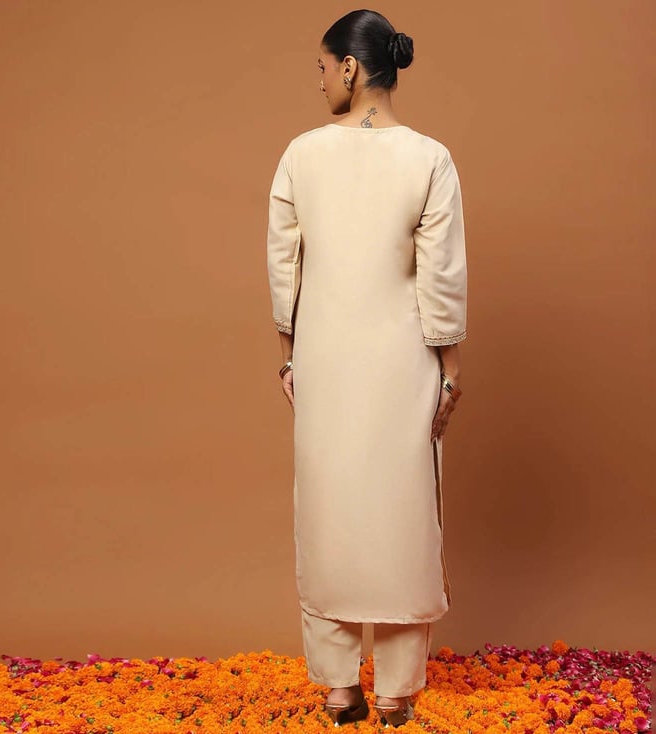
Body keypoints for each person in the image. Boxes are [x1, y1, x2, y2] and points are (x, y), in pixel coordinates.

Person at [266, 9, 467, 728]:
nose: (320, 81)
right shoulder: (429, 159)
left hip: (325, 359)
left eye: (323, 68)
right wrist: (448, 373)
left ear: (350, 68)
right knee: (404, 514)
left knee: (330, 510)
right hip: (403, 363)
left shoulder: (301, 155)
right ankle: (395, 693)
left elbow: (285, 266)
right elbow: (440, 278)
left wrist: (289, 359)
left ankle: (338, 688)